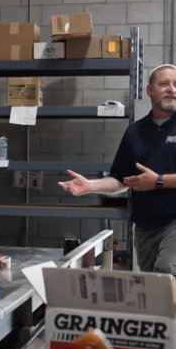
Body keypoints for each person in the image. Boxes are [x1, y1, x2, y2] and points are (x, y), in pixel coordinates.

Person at [59, 64, 176, 277]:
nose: (172, 89)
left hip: (174, 223)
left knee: (166, 272)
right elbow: (121, 180)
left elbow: (153, 181)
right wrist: (91, 186)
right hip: (145, 227)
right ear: (149, 90)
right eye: (164, 84)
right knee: (154, 286)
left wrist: (158, 181)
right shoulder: (135, 131)